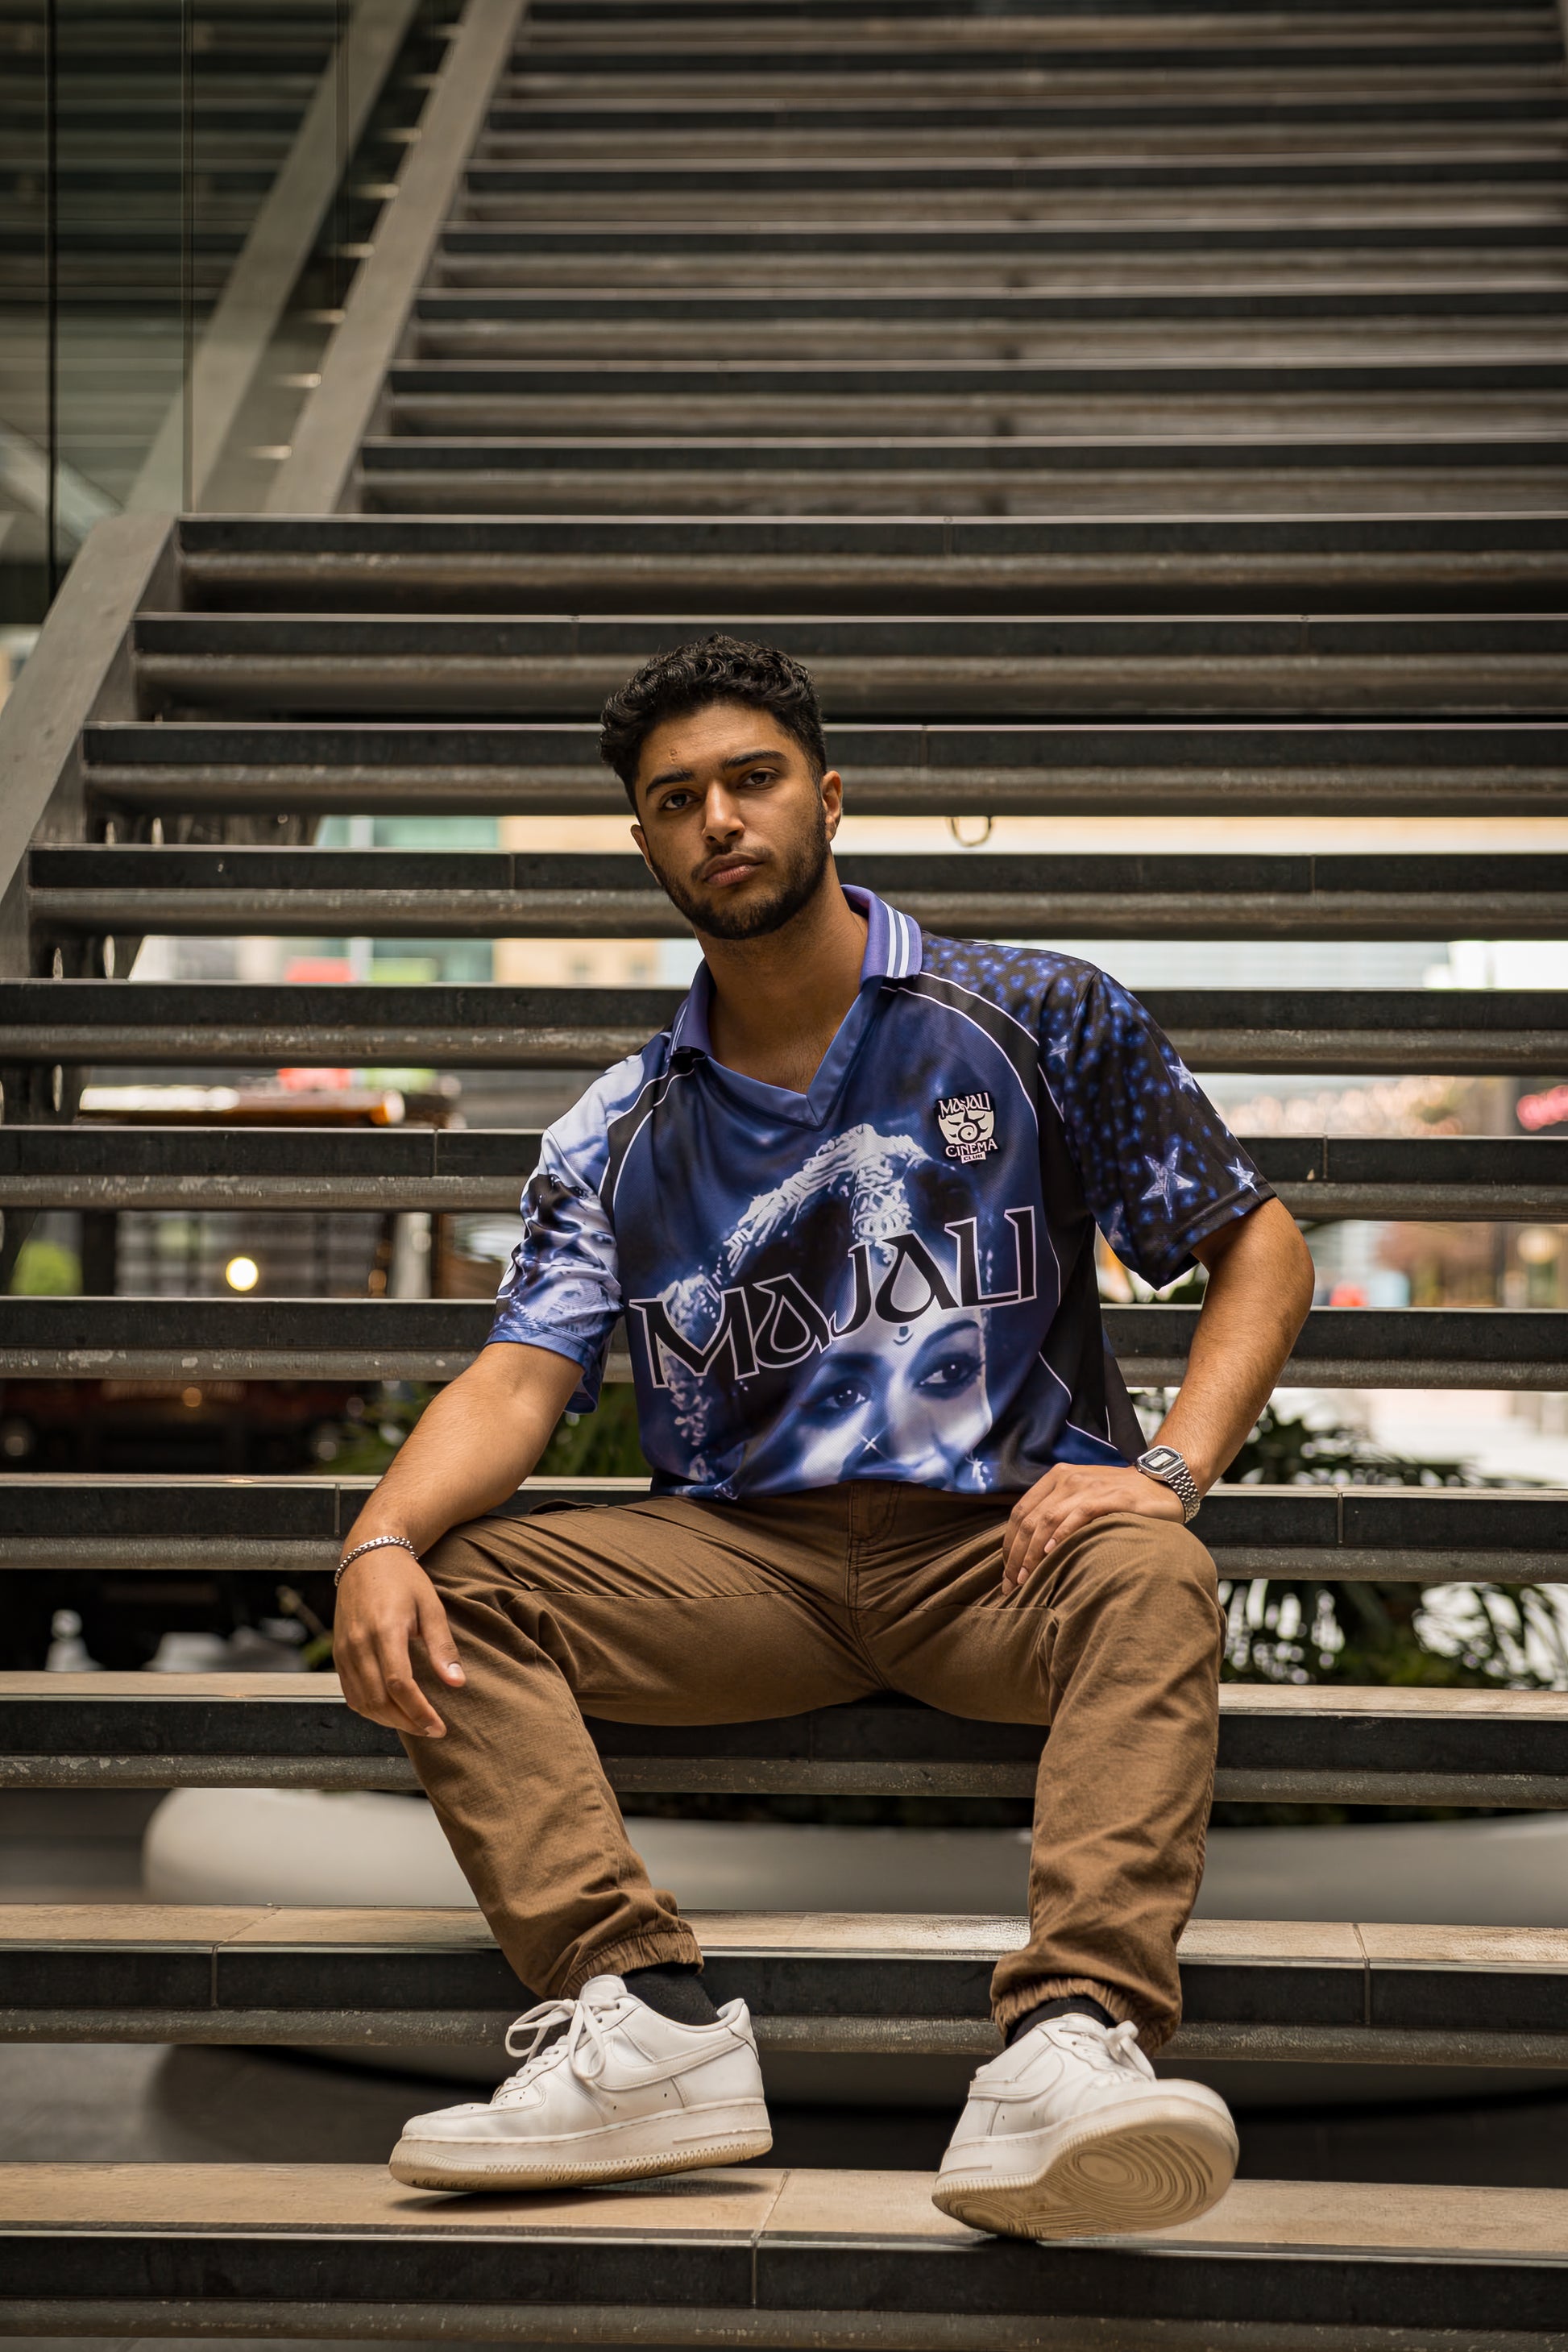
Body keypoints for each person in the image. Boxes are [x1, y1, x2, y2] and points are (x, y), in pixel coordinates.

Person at [332, 634, 1315, 2239]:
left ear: (828, 795)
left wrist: (1164, 1470)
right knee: (451, 1583)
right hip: (746, 1568)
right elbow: (518, 1377)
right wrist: (378, 1537)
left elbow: (1257, 1248)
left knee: (1151, 1571)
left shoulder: (1032, 1011)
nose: (719, 818)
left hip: (1004, 1550)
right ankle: (645, 2020)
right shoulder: (618, 1124)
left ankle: (1069, 2042)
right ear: (645, 842)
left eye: (753, 778)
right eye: (677, 799)